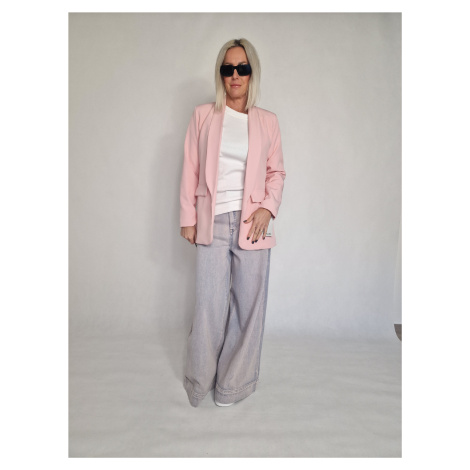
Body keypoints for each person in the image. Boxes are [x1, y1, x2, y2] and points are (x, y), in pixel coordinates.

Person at [179, 38, 286, 407]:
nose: (235, 75)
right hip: (212, 220)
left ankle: (232, 386)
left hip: (252, 222)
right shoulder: (203, 116)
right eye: (228, 68)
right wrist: (188, 218)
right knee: (208, 306)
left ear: (252, 72)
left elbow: (276, 172)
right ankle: (198, 383)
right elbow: (190, 168)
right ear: (220, 74)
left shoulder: (267, 121)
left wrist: (268, 208)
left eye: (242, 68)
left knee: (249, 307)